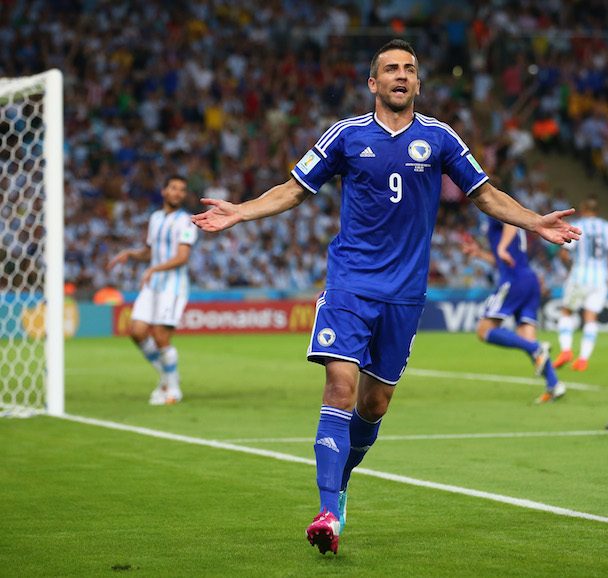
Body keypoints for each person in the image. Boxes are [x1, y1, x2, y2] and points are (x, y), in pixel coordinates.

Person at [191, 39, 581, 555]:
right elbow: (294, 187)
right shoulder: (346, 135)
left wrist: (535, 222)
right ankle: (327, 511)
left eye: (409, 69)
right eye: (391, 69)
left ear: (417, 83)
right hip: (351, 283)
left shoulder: (439, 138)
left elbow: (484, 194)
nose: (401, 75)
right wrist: (241, 210)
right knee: (340, 386)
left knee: (374, 404)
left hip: (405, 293)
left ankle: (342, 481)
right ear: (373, 82)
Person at [107, 176, 197, 405]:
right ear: (164, 191)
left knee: (160, 336)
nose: (178, 193)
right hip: (153, 284)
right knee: (136, 331)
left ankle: (173, 390)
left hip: (173, 287)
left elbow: (182, 257)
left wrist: (154, 269)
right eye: (173, 188)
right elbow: (150, 251)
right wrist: (130, 253)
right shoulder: (155, 218)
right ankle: (167, 375)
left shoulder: (186, 222)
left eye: (182, 190)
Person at [462, 215, 566, 404]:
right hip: (528, 278)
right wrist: (480, 254)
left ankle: (536, 348)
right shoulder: (507, 212)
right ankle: (554, 384)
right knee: (526, 336)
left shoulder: (496, 208)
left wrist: (501, 248)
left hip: (514, 280)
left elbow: (510, 222)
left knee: (484, 330)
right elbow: (502, 260)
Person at [552, 196, 608, 371]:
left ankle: (566, 350)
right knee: (591, 317)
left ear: (582, 210)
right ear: (597, 211)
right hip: (601, 278)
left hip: (579, 277)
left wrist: (572, 270)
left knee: (567, 312)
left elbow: (564, 255)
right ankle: (583, 359)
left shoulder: (577, 225)